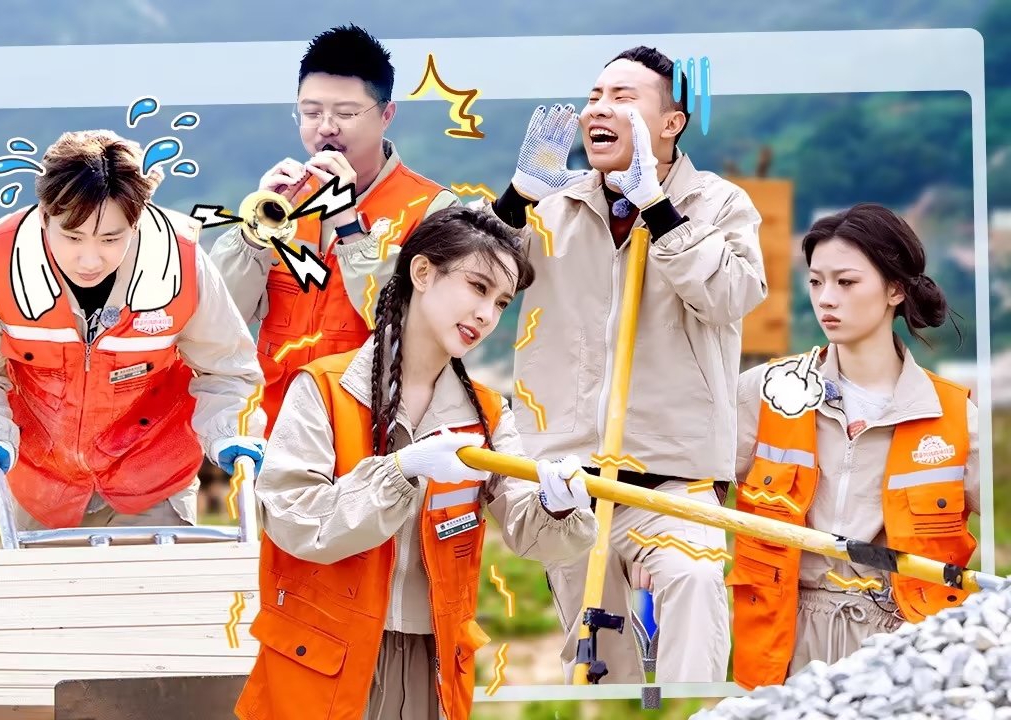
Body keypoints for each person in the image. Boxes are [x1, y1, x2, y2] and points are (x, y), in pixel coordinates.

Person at [236, 206, 599, 720]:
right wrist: (400, 471)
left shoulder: (488, 415)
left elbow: (533, 531)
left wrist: (556, 505)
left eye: (501, 302)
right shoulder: (323, 389)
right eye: (477, 287)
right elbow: (293, 520)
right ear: (423, 272)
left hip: (432, 662)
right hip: (323, 656)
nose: (486, 315)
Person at [481, 46, 767, 684]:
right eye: (593, 98)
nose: (598, 110)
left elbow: (732, 295)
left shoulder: (718, 203)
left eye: (622, 98)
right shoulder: (553, 207)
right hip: (569, 481)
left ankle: (692, 711)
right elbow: (461, 280)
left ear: (671, 122)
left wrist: (658, 209)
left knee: (693, 585)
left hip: (674, 479)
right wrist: (516, 199)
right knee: (600, 660)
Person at [0, 129, 266, 532]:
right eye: (72, 237)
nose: (89, 260)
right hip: (43, 482)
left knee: (154, 574)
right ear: (44, 216)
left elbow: (227, 368)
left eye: (111, 238)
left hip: (151, 475)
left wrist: (230, 430)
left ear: (137, 222)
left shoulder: (181, 260)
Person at [731, 203, 979, 689]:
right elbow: (696, 483)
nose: (827, 299)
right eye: (815, 282)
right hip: (787, 637)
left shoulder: (952, 416)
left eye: (846, 282)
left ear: (895, 290)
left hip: (905, 645)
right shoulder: (769, 390)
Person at [210, 24, 459, 437]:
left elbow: (417, 329)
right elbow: (219, 315)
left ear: (386, 115)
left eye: (345, 114)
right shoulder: (284, 198)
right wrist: (254, 233)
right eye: (311, 113)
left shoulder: (433, 208)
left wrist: (349, 223)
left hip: (368, 436)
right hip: (271, 432)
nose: (326, 127)